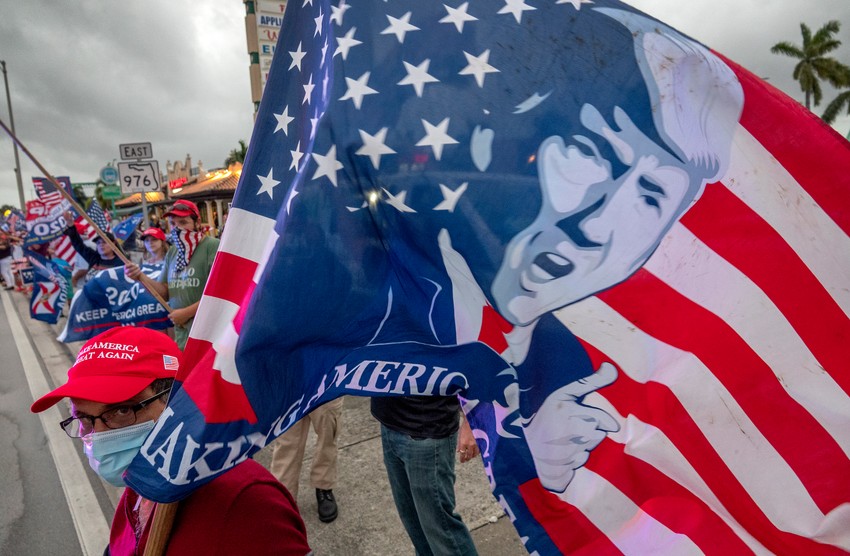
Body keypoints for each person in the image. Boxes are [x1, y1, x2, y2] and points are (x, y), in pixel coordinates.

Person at [30, 326, 312, 555]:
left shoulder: (247, 504)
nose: (99, 437)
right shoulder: (142, 481)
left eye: (122, 410)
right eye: (84, 418)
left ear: (175, 400)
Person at [371, 395, 480, 556]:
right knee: (414, 523)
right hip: (389, 419)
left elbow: (483, 371)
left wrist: (474, 419)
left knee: (441, 527)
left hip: (428, 427)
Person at [125, 200, 219, 350]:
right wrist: (140, 277)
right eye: (173, 224)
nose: (178, 228)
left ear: (197, 222)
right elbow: (164, 292)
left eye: (183, 222)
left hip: (209, 337)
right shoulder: (173, 252)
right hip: (182, 337)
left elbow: (220, 295)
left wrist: (186, 313)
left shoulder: (212, 246)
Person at [269, 398, 343, 523]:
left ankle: (323, 485)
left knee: (328, 433)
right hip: (291, 383)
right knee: (287, 438)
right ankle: (284, 494)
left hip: (325, 382)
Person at [63, 210, 125, 280]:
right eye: (98, 243)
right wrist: (70, 224)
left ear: (113, 243)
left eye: (104, 242)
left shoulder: (121, 263)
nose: (101, 245)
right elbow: (78, 244)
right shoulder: (94, 258)